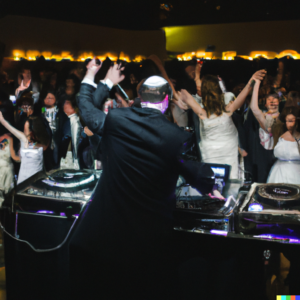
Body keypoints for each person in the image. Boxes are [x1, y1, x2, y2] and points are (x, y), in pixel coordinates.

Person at [69, 59, 215, 300]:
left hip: (106, 239)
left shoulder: (116, 120)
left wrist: (98, 78)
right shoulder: (176, 136)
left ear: (139, 97)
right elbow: (196, 173)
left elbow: (85, 107)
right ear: (167, 101)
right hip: (148, 244)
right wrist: (210, 185)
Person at [179, 70, 266, 179]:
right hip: (228, 149)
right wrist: (251, 81)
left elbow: (185, 94)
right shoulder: (228, 109)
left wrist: (194, 77)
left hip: (210, 151)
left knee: (212, 180)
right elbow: (242, 96)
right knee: (230, 177)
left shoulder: (202, 113)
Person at [0, 112, 50, 184]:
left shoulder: (28, 141)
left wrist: (2, 120)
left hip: (35, 179)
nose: (24, 129)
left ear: (32, 131)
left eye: (26, 127)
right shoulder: (25, 140)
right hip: (24, 180)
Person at [267, 106, 300, 184]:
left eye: (291, 121)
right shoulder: (277, 133)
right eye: (286, 121)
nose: (288, 123)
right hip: (279, 173)